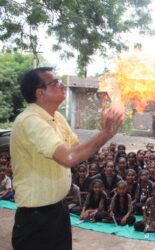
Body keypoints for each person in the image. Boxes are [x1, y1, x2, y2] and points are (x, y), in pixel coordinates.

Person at [10, 67, 123, 250]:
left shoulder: (57, 118)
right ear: (40, 92)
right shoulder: (31, 121)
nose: (62, 85)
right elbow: (69, 158)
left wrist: (103, 131)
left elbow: (78, 151)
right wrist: (105, 132)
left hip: (58, 210)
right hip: (36, 217)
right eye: (55, 82)